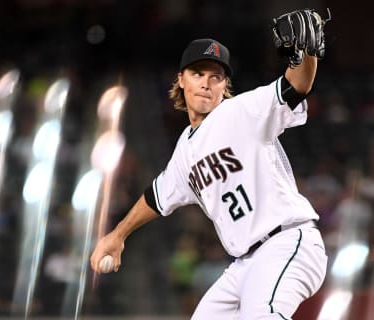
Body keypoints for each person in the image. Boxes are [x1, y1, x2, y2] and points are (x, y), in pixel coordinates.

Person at [91, 8, 329, 319]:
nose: (206, 83)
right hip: (245, 263)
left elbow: (296, 84)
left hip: (287, 242)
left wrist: (306, 54)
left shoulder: (241, 111)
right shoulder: (184, 150)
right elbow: (157, 196)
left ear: (224, 86)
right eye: (198, 73)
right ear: (181, 80)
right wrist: (118, 235)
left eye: (216, 76)